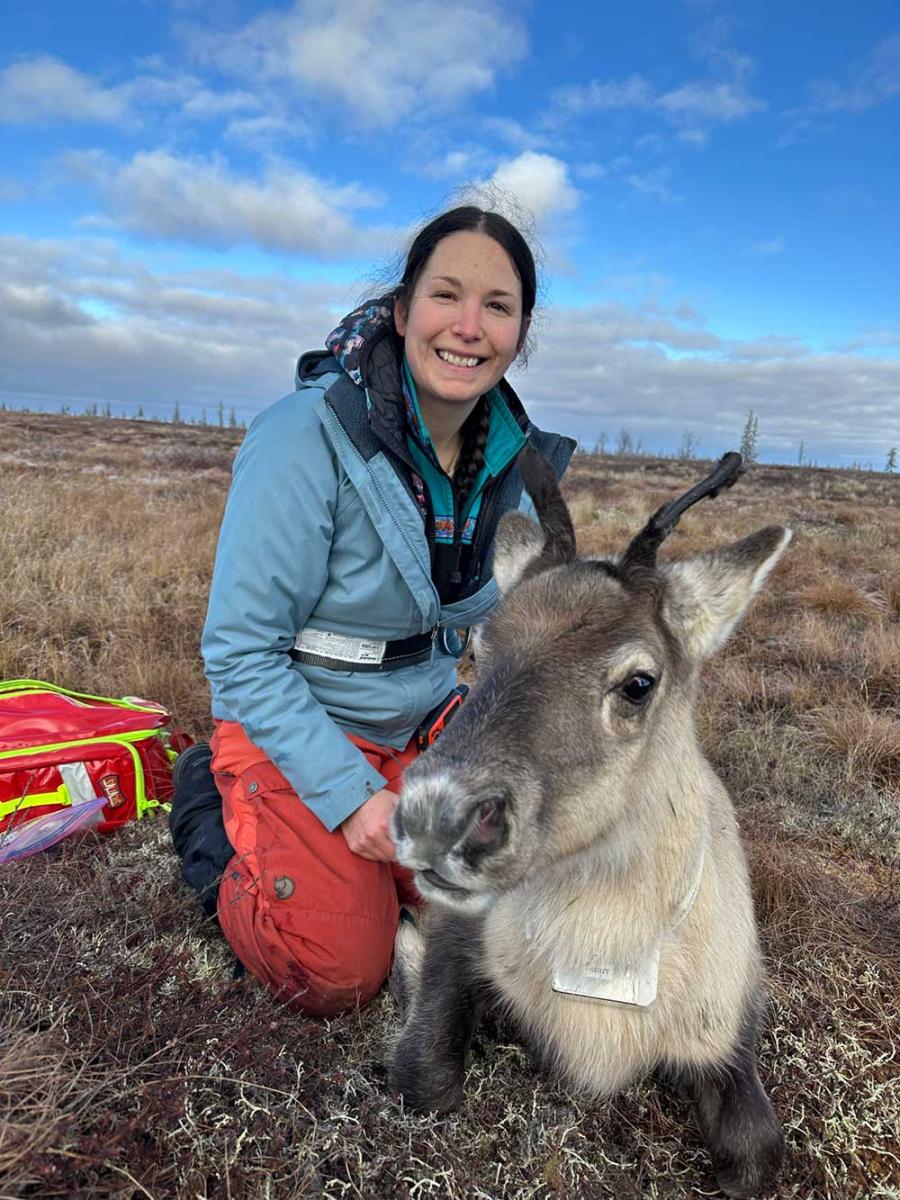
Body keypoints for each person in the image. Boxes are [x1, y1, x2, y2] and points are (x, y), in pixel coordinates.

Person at [169, 205, 575, 1017]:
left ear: (520, 333)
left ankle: (356, 863)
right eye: (445, 296)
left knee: (507, 920)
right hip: (298, 724)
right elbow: (242, 654)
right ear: (401, 310)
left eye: (497, 306)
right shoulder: (303, 437)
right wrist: (350, 800)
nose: (467, 326)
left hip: (421, 722)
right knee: (339, 970)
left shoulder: (513, 463)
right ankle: (214, 813)